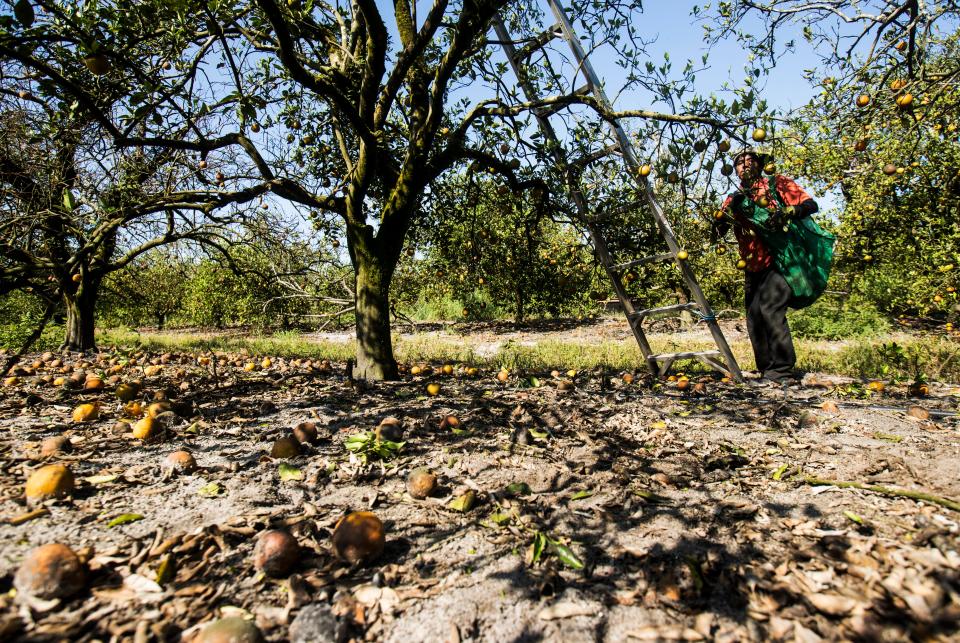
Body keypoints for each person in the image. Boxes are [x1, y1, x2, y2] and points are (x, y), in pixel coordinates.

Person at [714, 148, 820, 385]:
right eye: (739, 163)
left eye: (750, 161)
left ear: (760, 166)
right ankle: (767, 370)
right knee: (754, 317)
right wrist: (722, 218)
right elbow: (717, 231)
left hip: (780, 258)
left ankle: (782, 371)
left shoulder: (776, 184)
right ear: (735, 170)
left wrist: (789, 211)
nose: (745, 165)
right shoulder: (735, 197)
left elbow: (810, 205)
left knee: (771, 309)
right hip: (752, 264)